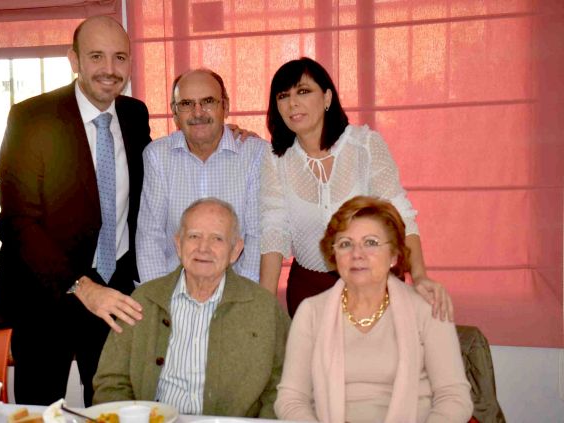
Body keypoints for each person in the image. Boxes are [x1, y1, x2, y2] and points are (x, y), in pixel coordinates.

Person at [0, 16, 149, 406]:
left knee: (113, 408)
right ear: (74, 59)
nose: (110, 70)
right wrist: (83, 287)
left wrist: (229, 135)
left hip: (114, 295)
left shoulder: (134, 114)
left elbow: (159, 174)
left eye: (120, 57)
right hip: (46, 299)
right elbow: (17, 223)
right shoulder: (31, 118)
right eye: (96, 56)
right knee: (40, 411)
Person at [260, 57, 452, 318]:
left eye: (303, 91)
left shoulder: (365, 145)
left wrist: (419, 276)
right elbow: (274, 229)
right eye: (283, 96)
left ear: (327, 98)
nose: (292, 102)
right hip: (309, 290)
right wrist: (264, 305)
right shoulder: (276, 160)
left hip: (373, 284)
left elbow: (400, 214)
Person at [275, 196, 473, 422]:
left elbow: (454, 398)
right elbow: (291, 398)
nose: (356, 254)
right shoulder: (311, 312)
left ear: (394, 256)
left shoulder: (428, 309)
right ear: (334, 256)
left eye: (370, 242)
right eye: (345, 244)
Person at [94, 198, 290, 418]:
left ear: (236, 250)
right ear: (178, 244)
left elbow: (282, 388)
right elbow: (111, 382)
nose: (203, 248)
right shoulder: (144, 301)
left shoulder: (263, 309)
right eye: (194, 236)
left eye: (217, 238)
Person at [136, 69, 267, 283]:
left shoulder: (255, 154)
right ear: (174, 112)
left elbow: (257, 235)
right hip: (173, 289)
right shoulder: (157, 156)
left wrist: (241, 299)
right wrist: (158, 299)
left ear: (225, 106)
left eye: (208, 101)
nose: (198, 112)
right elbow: (150, 237)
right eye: (187, 104)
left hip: (238, 288)